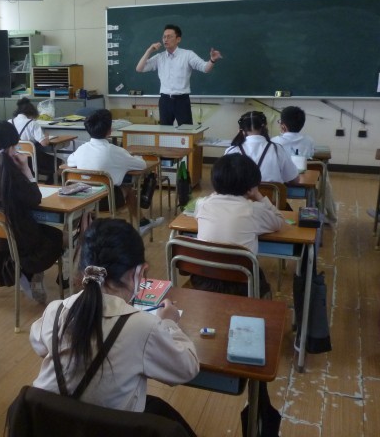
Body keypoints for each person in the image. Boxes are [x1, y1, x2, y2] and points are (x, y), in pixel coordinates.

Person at [30, 218, 198, 436]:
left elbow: (39, 345)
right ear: (138, 273)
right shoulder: (143, 326)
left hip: (50, 426)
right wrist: (169, 323)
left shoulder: (56, 310)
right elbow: (187, 368)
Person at [0, 120, 64, 304]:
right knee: (57, 235)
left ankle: (28, 275)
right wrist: (26, 169)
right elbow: (35, 198)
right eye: (15, 146)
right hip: (19, 244)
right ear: (9, 149)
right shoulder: (11, 176)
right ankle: (34, 273)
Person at [192, 153, 284, 297]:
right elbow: (279, 221)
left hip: (204, 279)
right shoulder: (253, 210)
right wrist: (258, 195)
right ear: (251, 187)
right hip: (242, 284)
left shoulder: (202, 204)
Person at [66, 109, 163, 236]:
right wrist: (135, 157)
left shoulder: (81, 150)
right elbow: (142, 165)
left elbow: (70, 162)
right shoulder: (116, 151)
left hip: (83, 200)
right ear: (110, 130)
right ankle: (142, 223)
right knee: (129, 189)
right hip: (105, 201)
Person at [135, 24, 222, 126]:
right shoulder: (159, 57)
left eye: (169, 36)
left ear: (178, 39)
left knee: (186, 131)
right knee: (164, 132)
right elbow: (139, 68)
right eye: (164, 37)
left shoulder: (187, 55)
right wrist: (149, 51)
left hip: (182, 100)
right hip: (165, 100)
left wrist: (212, 60)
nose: (165, 39)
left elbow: (205, 68)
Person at [225, 110, 300, 185]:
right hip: (272, 192)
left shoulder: (231, 151)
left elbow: (224, 181)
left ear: (241, 130)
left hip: (240, 193)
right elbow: (294, 180)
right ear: (265, 127)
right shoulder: (277, 149)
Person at [9, 97, 56, 183]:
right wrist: (46, 136)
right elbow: (44, 143)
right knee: (58, 163)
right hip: (31, 159)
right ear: (32, 113)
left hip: (14, 158)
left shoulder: (9, 122)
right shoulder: (32, 123)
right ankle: (49, 184)